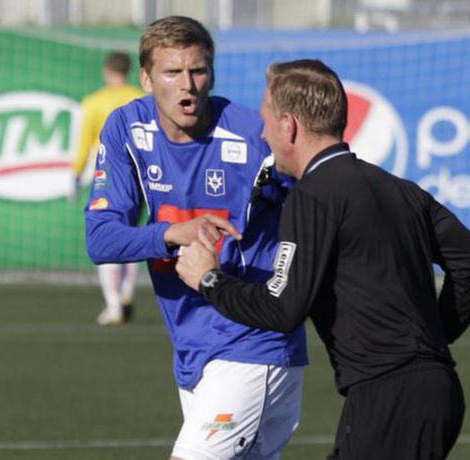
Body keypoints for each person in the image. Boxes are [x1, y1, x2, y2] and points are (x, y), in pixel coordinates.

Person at [176, 59, 470, 460]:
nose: (262, 133)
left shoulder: (312, 196)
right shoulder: (400, 188)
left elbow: (283, 308)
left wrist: (209, 280)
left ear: (289, 126)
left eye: (267, 122)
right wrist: (433, 339)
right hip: (436, 389)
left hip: (388, 396)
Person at [85, 16, 307, 460]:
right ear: (146, 79)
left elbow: (324, 196)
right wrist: (172, 234)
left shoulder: (253, 135)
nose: (188, 85)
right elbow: (101, 239)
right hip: (192, 348)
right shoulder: (127, 128)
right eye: (172, 72)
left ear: (212, 74)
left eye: (198, 70)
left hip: (254, 343)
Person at [71, 52, 145, 325]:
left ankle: (113, 305)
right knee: (132, 233)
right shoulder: (141, 99)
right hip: (139, 174)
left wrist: (75, 173)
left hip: (108, 177)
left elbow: (85, 142)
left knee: (107, 235)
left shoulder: (94, 102)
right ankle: (126, 293)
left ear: (107, 71)